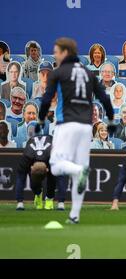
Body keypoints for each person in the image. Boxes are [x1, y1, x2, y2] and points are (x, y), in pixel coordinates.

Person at [36, 37, 115, 224]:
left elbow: (47, 99)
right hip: (86, 127)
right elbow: (104, 98)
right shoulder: (88, 73)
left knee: (55, 166)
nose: (55, 55)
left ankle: (79, 171)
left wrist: (41, 119)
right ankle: (74, 215)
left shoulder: (58, 72)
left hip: (66, 124)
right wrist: (111, 120)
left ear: (65, 52)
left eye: (56, 51)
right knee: (78, 170)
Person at [15, 126, 67, 211]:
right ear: (31, 168)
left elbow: (61, 178)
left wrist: (61, 203)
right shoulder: (27, 157)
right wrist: (19, 203)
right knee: (33, 181)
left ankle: (49, 198)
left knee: (54, 176)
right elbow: (20, 177)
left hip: (51, 156)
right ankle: (38, 194)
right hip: (37, 155)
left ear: (47, 169)